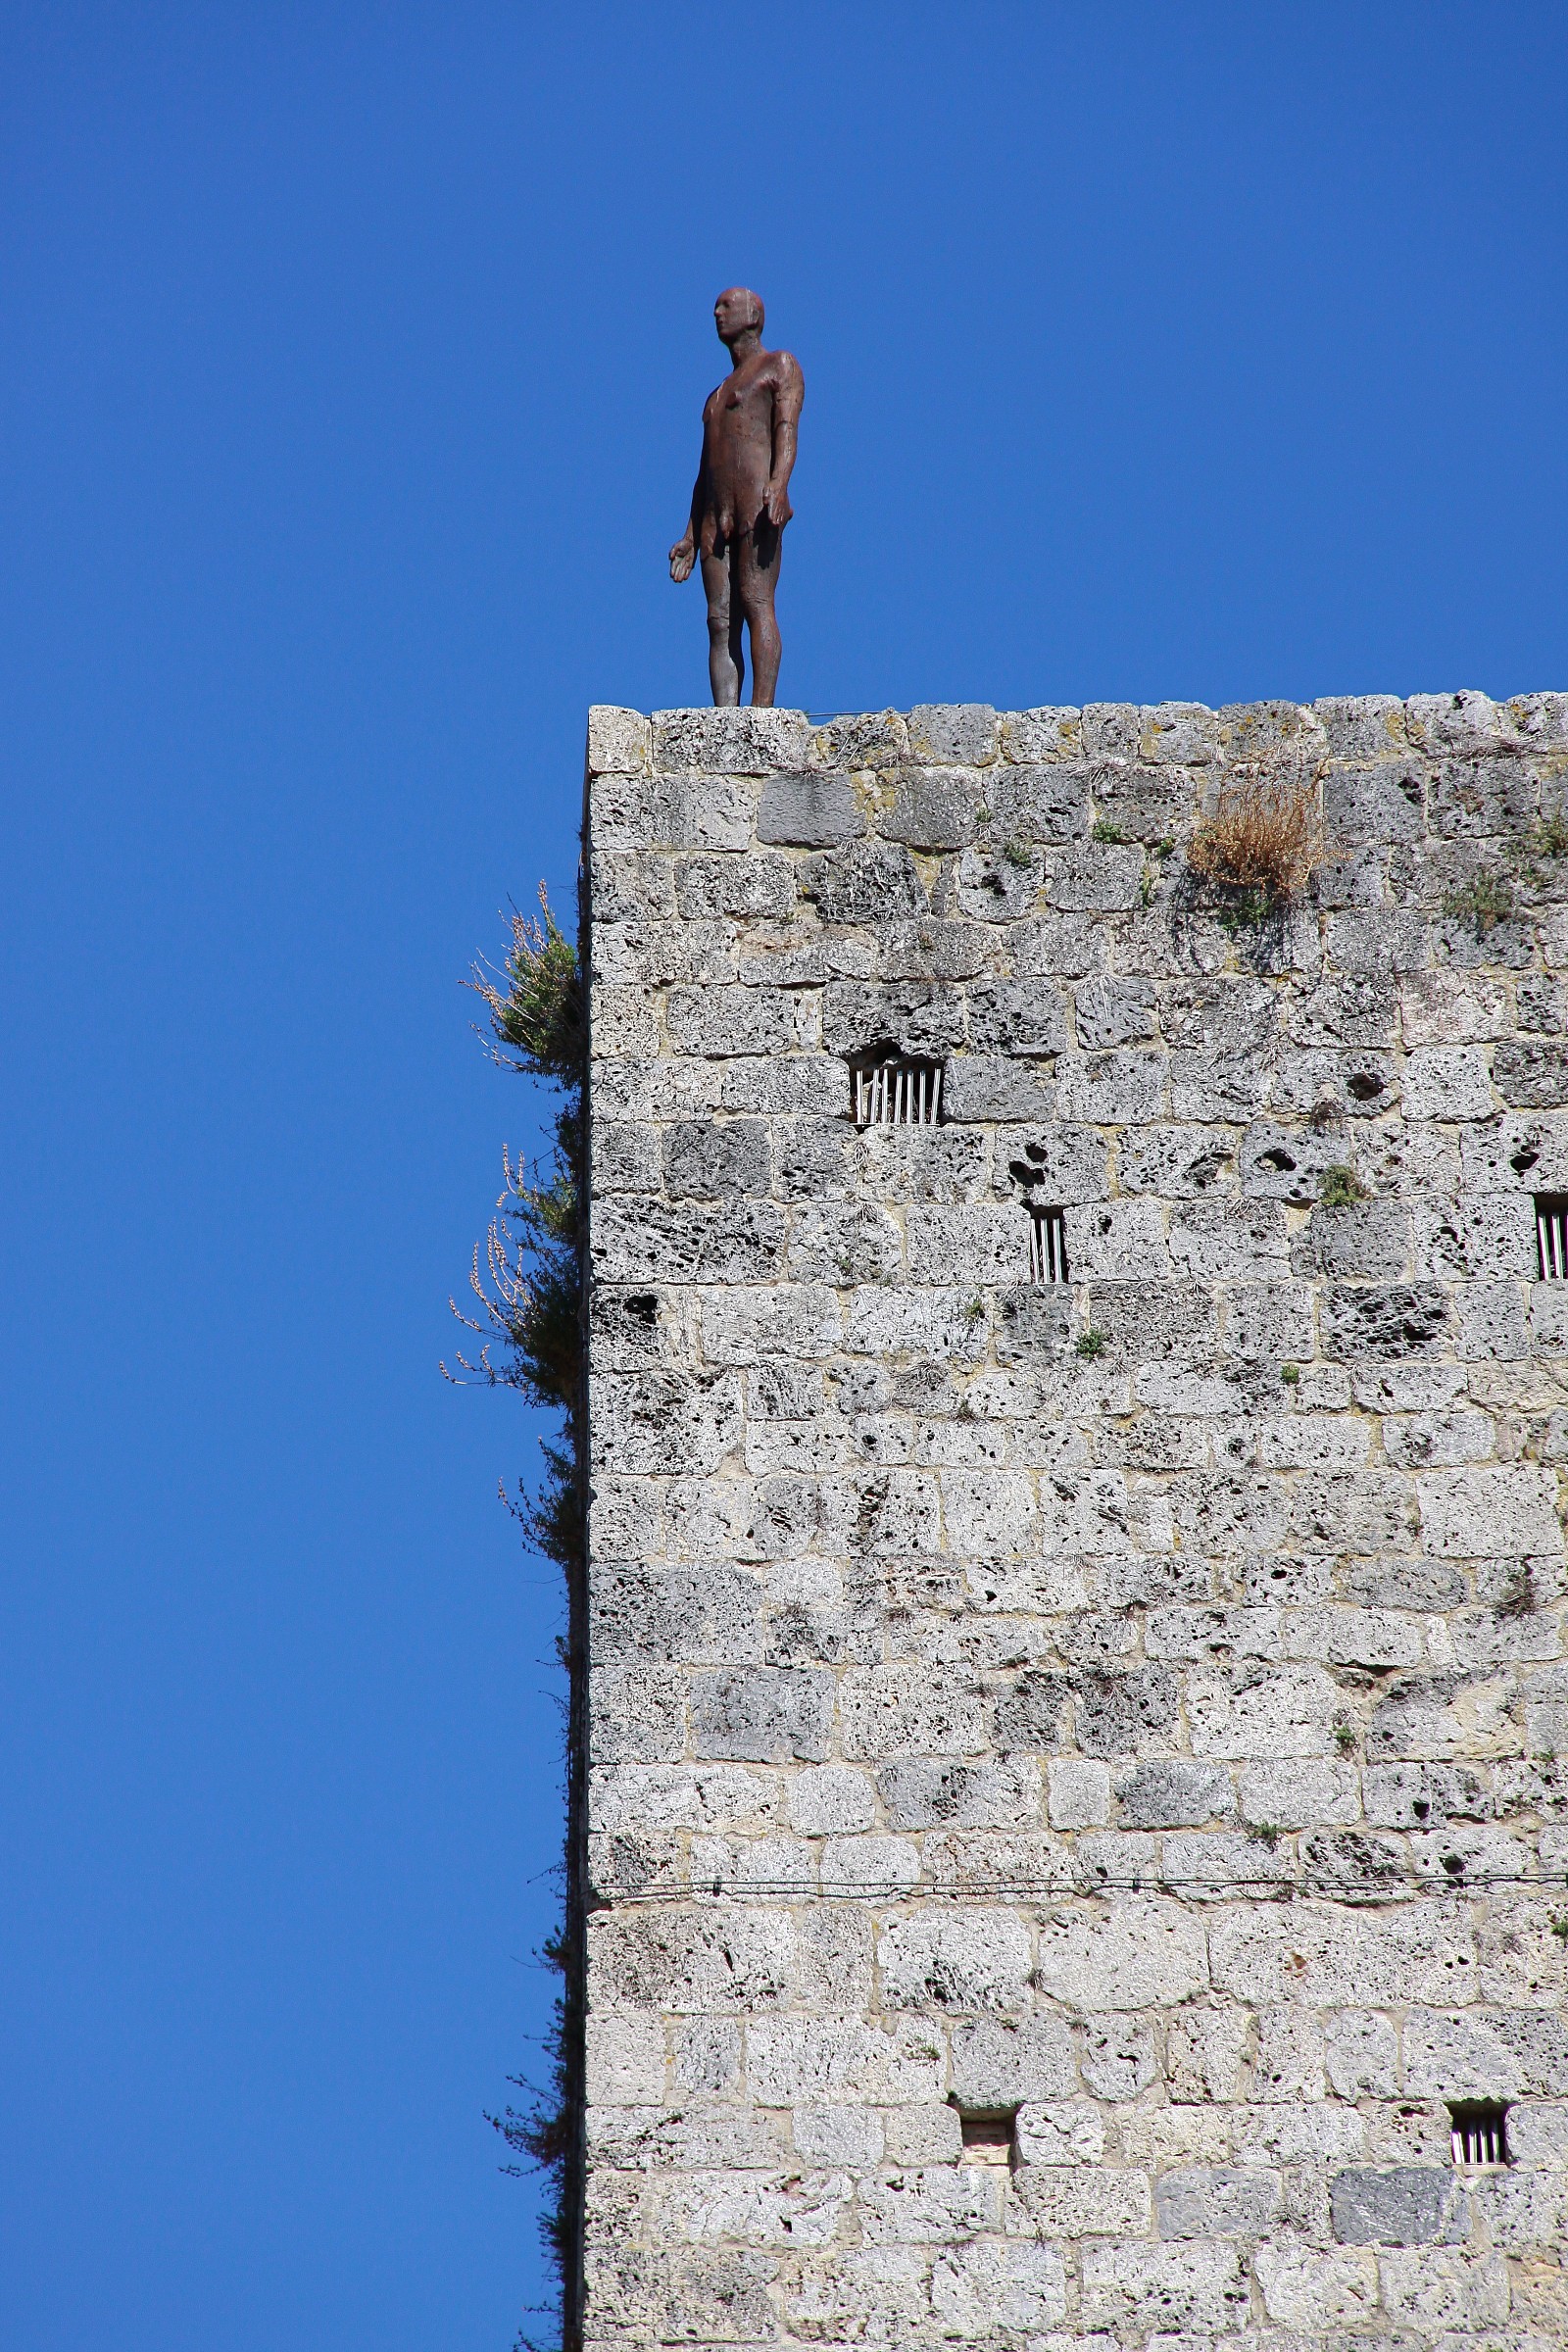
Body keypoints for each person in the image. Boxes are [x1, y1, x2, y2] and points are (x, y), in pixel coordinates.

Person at [668, 288, 804, 709]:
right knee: (719, 620)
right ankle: (725, 718)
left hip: (757, 505)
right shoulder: (714, 396)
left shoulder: (779, 365)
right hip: (715, 515)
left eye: (727, 305)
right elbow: (704, 471)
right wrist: (691, 534)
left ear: (754, 315)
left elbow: (786, 429)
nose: (717, 312)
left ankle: (762, 713)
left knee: (756, 600)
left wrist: (779, 484)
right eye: (716, 306)